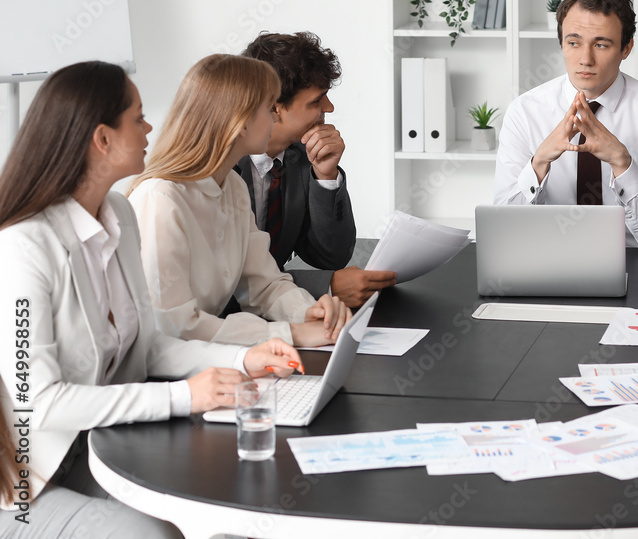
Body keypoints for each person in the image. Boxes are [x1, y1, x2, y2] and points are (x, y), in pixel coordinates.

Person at [0, 62, 303, 537]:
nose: (150, 128)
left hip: (97, 445)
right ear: (102, 139)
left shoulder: (117, 211)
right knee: (152, 534)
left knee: (232, 505)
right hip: (24, 482)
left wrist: (245, 359)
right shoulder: (23, 247)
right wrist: (182, 396)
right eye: (138, 118)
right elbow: (38, 404)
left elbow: (150, 343)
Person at [129, 54, 350, 347]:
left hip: (208, 357)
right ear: (240, 122)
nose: (275, 117)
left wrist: (307, 312)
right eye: (268, 108)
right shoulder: (161, 198)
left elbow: (264, 284)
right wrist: (290, 334)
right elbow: (173, 328)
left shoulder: (231, 185)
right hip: (162, 374)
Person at [493, 0, 638, 253]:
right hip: (545, 258)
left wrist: (623, 163)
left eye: (602, 45)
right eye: (574, 42)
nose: (585, 59)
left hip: (630, 263)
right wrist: (538, 163)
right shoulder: (524, 111)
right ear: (561, 43)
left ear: (626, 48)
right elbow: (503, 233)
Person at [240, 32, 396, 308]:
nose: (330, 107)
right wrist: (326, 286)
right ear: (274, 107)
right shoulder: (221, 171)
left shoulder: (300, 158)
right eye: (316, 101)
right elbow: (228, 285)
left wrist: (325, 177)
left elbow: (330, 257)